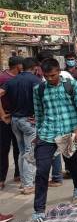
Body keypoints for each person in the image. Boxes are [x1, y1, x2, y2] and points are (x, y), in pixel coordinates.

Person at [32, 58, 77, 222]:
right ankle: (39, 209)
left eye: (53, 75)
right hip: (47, 134)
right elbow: (39, 113)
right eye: (47, 76)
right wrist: (38, 133)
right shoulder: (39, 89)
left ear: (59, 71)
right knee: (42, 170)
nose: (50, 79)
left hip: (68, 133)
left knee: (72, 163)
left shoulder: (72, 85)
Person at [0, 57, 40, 195]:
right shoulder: (36, 81)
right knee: (30, 153)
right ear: (34, 68)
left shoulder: (11, 81)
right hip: (29, 121)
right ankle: (28, 185)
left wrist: (2, 114)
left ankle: (24, 183)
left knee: (22, 152)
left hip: (14, 120)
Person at [0, 57, 23, 190]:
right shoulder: (3, 78)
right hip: (5, 118)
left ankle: (18, 174)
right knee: (3, 149)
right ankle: (1, 178)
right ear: (17, 66)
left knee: (18, 147)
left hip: (16, 116)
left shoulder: (18, 78)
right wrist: (2, 115)